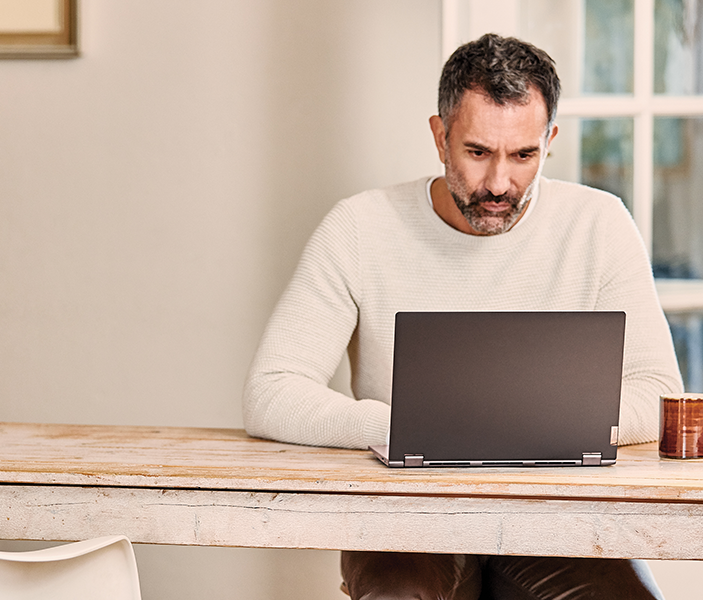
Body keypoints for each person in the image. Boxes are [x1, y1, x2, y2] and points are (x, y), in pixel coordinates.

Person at [242, 33, 684, 600]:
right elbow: (272, 391)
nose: (499, 184)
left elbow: (657, 391)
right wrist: (405, 429)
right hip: (406, 515)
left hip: (558, 518)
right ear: (440, 135)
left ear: (550, 140)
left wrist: (503, 429)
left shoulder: (600, 224)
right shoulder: (358, 228)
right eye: (477, 152)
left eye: (524, 155)